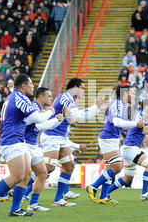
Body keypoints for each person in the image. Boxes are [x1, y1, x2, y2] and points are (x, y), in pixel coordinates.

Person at [0, 74, 66, 221]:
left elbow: (22, 119)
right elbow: (37, 119)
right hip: (11, 141)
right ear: (23, 86)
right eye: (31, 85)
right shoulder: (20, 98)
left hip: (17, 140)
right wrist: (51, 111)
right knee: (18, 175)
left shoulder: (14, 98)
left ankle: (15, 209)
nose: (33, 87)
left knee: (26, 174)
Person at [42, 78, 108, 207]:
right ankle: (20, 189)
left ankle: (58, 199)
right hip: (52, 135)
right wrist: (96, 107)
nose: (84, 90)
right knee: (48, 168)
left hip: (61, 137)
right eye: (82, 88)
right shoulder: (66, 97)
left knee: (69, 166)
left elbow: (74, 117)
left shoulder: (70, 99)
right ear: (75, 87)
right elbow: (80, 116)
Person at [86, 85, 144, 205]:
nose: (134, 96)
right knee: (117, 168)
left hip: (112, 138)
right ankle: (93, 186)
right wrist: (135, 123)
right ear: (124, 94)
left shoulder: (120, 105)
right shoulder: (118, 105)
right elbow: (117, 122)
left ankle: (103, 197)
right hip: (108, 138)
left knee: (109, 168)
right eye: (132, 93)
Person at [106, 103, 148, 201]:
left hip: (128, 147)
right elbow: (147, 130)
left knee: (127, 178)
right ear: (147, 106)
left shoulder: (144, 115)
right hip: (131, 148)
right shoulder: (142, 115)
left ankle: (106, 193)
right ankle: (145, 193)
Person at [24, 87, 68, 212]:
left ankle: (33, 204)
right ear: (41, 97)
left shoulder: (40, 109)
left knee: (43, 173)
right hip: (24, 144)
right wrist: (56, 117)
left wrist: (60, 118)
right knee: (22, 176)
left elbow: (45, 127)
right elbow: (42, 125)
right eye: (49, 96)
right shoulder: (34, 108)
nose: (51, 98)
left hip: (33, 145)